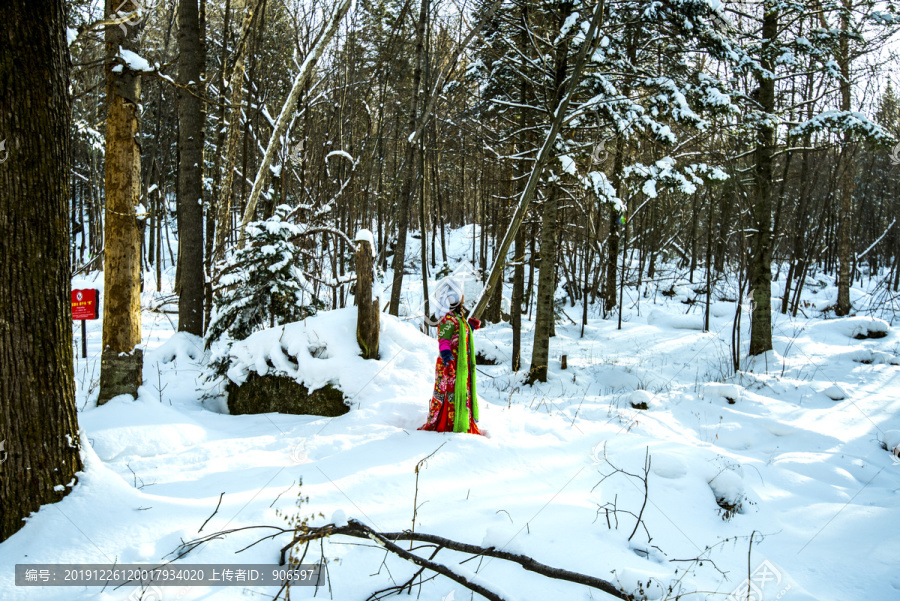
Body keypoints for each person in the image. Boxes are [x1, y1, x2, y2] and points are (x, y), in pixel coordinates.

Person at [419, 278, 483, 434]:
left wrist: (470, 327)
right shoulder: (448, 320)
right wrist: (449, 361)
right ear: (456, 298)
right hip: (451, 366)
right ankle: (448, 426)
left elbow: (459, 338)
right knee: (450, 395)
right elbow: (444, 342)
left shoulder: (458, 319)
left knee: (460, 394)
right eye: (461, 293)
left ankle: (460, 423)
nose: (464, 296)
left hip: (459, 366)